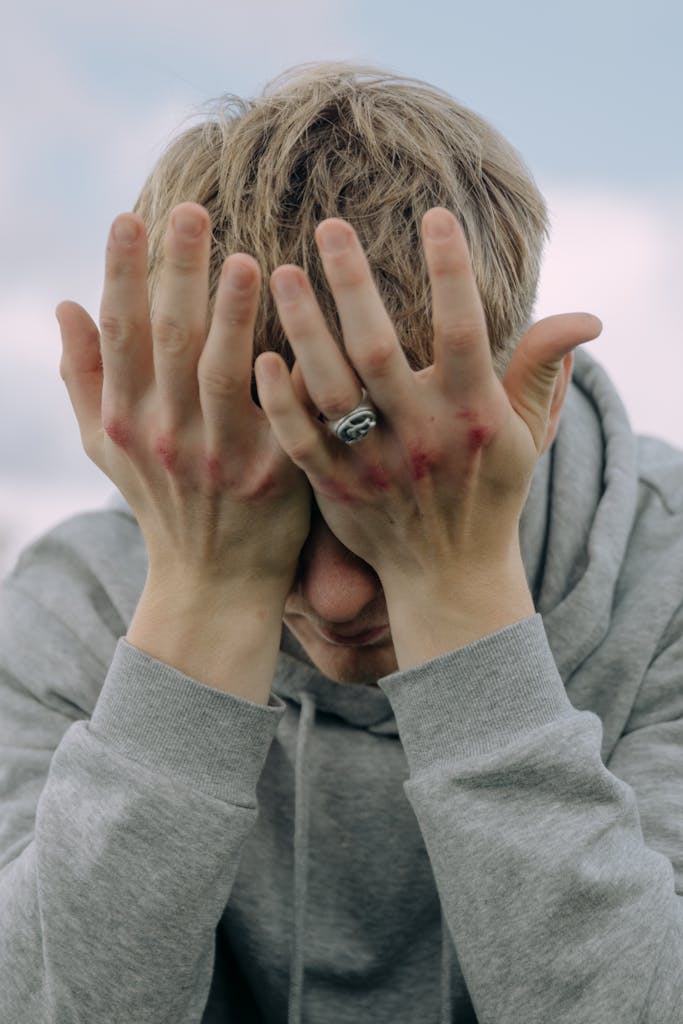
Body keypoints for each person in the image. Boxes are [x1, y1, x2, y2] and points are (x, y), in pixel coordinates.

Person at [0, 61, 681, 1024]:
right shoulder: (72, 610)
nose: (335, 600)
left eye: (391, 494)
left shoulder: (667, 577)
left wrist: (458, 592)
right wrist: (204, 596)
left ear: (539, 399)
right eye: (265, 511)